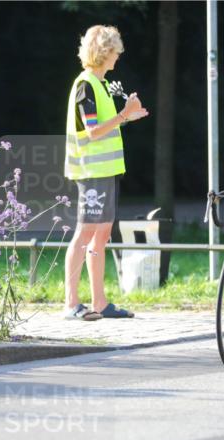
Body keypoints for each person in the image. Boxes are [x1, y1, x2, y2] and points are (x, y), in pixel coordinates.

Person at [62, 25, 148, 320]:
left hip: (106, 172)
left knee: (101, 235)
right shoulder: (86, 84)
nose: (118, 56)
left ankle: (99, 302)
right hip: (92, 172)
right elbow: (93, 131)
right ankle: (72, 303)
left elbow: (103, 127)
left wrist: (126, 118)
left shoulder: (98, 84)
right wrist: (124, 114)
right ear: (103, 52)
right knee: (85, 234)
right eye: (115, 51)